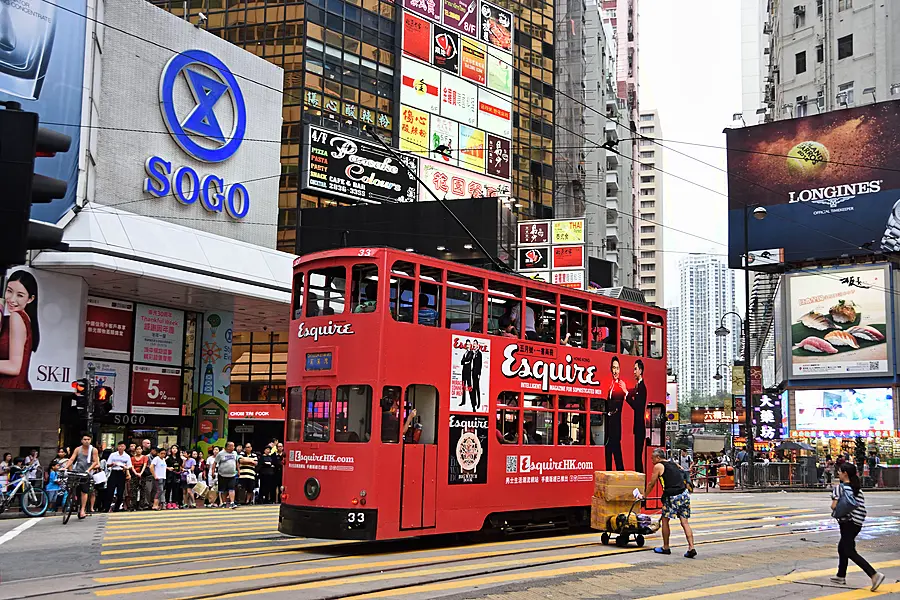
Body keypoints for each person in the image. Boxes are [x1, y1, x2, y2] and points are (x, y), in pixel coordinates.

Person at [830, 463, 884, 591]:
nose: (838, 473)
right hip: (857, 523)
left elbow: (833, 506)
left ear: (845, 474)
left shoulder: (840, 488)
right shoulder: (857, 489)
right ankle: (840, 575)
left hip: (847, 522)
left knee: (849, 550)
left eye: (839, 471)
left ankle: (874, 574)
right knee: (842, 547)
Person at [640, 448, 696, 558]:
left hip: (671, 496)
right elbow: (681, 471)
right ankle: (691, 547)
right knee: (684, 522)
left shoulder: (658, 466)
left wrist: (644, 496)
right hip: (684, 494)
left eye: (652, 458)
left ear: (658, 458)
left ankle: (666, 547)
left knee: (665, 520)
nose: (651, 461)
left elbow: (652, 483)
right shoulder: (673, 463)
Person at [0, 270, 40, 389]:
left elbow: (14, 367)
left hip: (9, 391)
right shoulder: (22, 319)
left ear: (30, 299)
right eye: (9, 291)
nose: (12, 299)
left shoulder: (16, 317)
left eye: (20, 295)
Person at [65, 434, 100, 520]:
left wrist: (89, 469)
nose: (86, 441)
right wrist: (65, 467)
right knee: (73, 487)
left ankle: (82, 510)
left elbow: (95, 462)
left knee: (84, 491)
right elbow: (72, 459)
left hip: (86, 473)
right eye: (85, 439)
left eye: (88, 439)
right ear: (82, 440)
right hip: (77, 471)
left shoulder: (94, 450)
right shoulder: (78, 449)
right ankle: (74, 502)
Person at [626, 359, 648, 473]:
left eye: (635, 369)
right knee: (637, 457)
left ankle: (641, 483)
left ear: (641, 370)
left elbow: (637, 406)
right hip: (638, 427)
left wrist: (627, 397)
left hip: (640, 427)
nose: (634, 372)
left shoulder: (642, 387)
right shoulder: (638, 386)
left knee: (638, 458)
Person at [605, 356, 626, 471]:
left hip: (615, 424)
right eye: (613, 368)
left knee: (616, 452)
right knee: (608, 450)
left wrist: (609, 413)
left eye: (617, 368)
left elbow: (618, 405)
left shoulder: (620, 385)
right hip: (609, 424)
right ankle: (609, 473)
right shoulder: (611, 385)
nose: (615, 371)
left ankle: (620, 473)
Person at [214, 441, 239, 509]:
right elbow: (215, 463)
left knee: (232, 488)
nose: (233, 447)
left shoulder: (235, 453)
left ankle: (232, 503)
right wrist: (212, 472)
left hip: (232, 474)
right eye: (232, 446)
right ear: (228, 447)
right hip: (222, 474)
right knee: (223, 490)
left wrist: (238, 471)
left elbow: (236, 462)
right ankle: (224, 503)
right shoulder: (220, 454)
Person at [106, 441, 131, 512]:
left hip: (121, 473)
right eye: (119, 446)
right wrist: (112, 464)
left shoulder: (127, 456)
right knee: (110, 491)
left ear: (125, 447)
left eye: (122, 446)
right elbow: (108, 464)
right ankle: (107, 507)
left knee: (120, 492)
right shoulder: (113, 455)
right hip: (114, 472)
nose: (120, 448)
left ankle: (117, 507)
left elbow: (129, 466)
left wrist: (125, 467)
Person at [129, 446, 148, 510]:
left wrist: (141, 473)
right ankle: (133, 506)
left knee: (143, 490)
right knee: (133, 491)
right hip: (134, 475)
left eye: (140, 449)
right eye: (137, 449)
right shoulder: (132, 458)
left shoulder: (145, 457)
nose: (138, 450)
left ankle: (141, 506)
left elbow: (144, 465)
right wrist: (136, 473)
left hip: (142, 475)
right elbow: (132, 466)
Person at [165, 444, 183, 509]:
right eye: (173, 448)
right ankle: (168, 503)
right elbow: (164, 466)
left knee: (176, 489)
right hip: (169, 475)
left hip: (177, 475)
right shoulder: (168, 458)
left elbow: (180, 466)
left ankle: (174, 502)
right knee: (168, 489)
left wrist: (181, 469)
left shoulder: (179, 459)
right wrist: (168, 468)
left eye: (176, 448)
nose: (174, 450)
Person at [459, 340, 474, 408]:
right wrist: (465, 361)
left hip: (468, 371)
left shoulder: (471, 352)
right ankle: (463, 401)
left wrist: (465, 361)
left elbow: (469, 359)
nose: (467, 345)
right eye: (467, 344)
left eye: (468, 344)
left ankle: (472, 403)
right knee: (463, 387)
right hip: (464, 371)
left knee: (469, 386)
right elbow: (462, 362)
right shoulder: (465, 352)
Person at [470, 342, 482, 411]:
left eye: (475, 344)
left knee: (477, 388)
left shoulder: (479, 353)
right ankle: (474, 404)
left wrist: (479, 374)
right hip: (472, 373)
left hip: (476, 373)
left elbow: (479, 364)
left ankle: (478, 404)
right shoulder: (472, 353)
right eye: (473, 344)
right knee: (473, 389)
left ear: (477, 345)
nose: (474, 345)